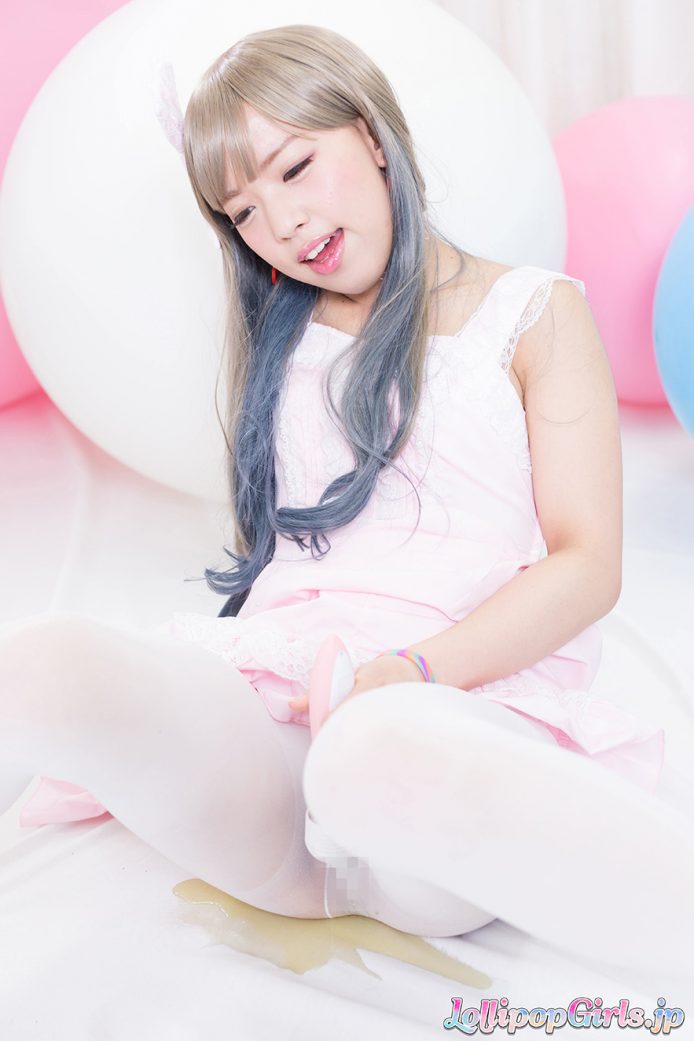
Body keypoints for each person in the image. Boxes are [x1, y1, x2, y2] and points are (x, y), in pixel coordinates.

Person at [2, 24, 692, 985]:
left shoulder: (533, 312)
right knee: (42, 661)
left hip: (447, 707)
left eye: (295, 168)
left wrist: (413, 670)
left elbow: (588, 564)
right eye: (243, 212)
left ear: (370, 133)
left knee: (372, 753)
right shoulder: (283, 338)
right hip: (279, 739)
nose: (281, 225)